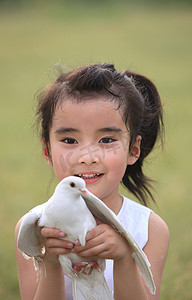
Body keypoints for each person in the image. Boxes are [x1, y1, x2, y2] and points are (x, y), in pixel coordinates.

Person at [15, 63, 169, 300]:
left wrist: (124, 257)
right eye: (69, 140)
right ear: (47, 151)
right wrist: (50, 261)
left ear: (133, 150)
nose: (88, 157)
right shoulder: (34, 229)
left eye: (107, 139)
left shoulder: (149, 229)